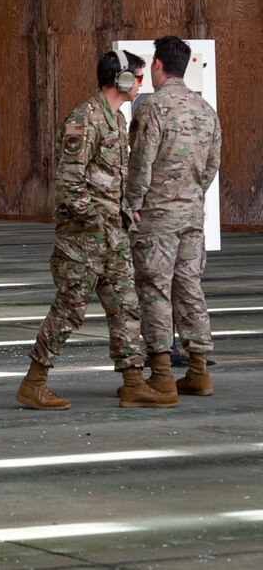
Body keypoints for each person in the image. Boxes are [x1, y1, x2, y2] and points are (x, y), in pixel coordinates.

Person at [16, 50, 177, 410]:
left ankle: (133, 381)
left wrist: (121, 215)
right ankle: (34, 381)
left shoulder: (116, 120)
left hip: (111, 237)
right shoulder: (83, 120)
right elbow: (70, 185)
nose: (140, 83)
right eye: (136, 77)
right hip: (84, 240)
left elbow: (112, 180)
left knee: (125, 307)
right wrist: (95, 221)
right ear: (119, 79)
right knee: (69, 310)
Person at [127, 36, 222, 397]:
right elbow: (212, 165)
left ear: (157, 66)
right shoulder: (205, 110)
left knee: (154, 291)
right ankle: (198, 370)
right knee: (190, 289)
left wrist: (133, 202)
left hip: (155, 218)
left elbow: (140, 162)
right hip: (192, 215)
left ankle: (163, 373)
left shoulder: (152, 108)